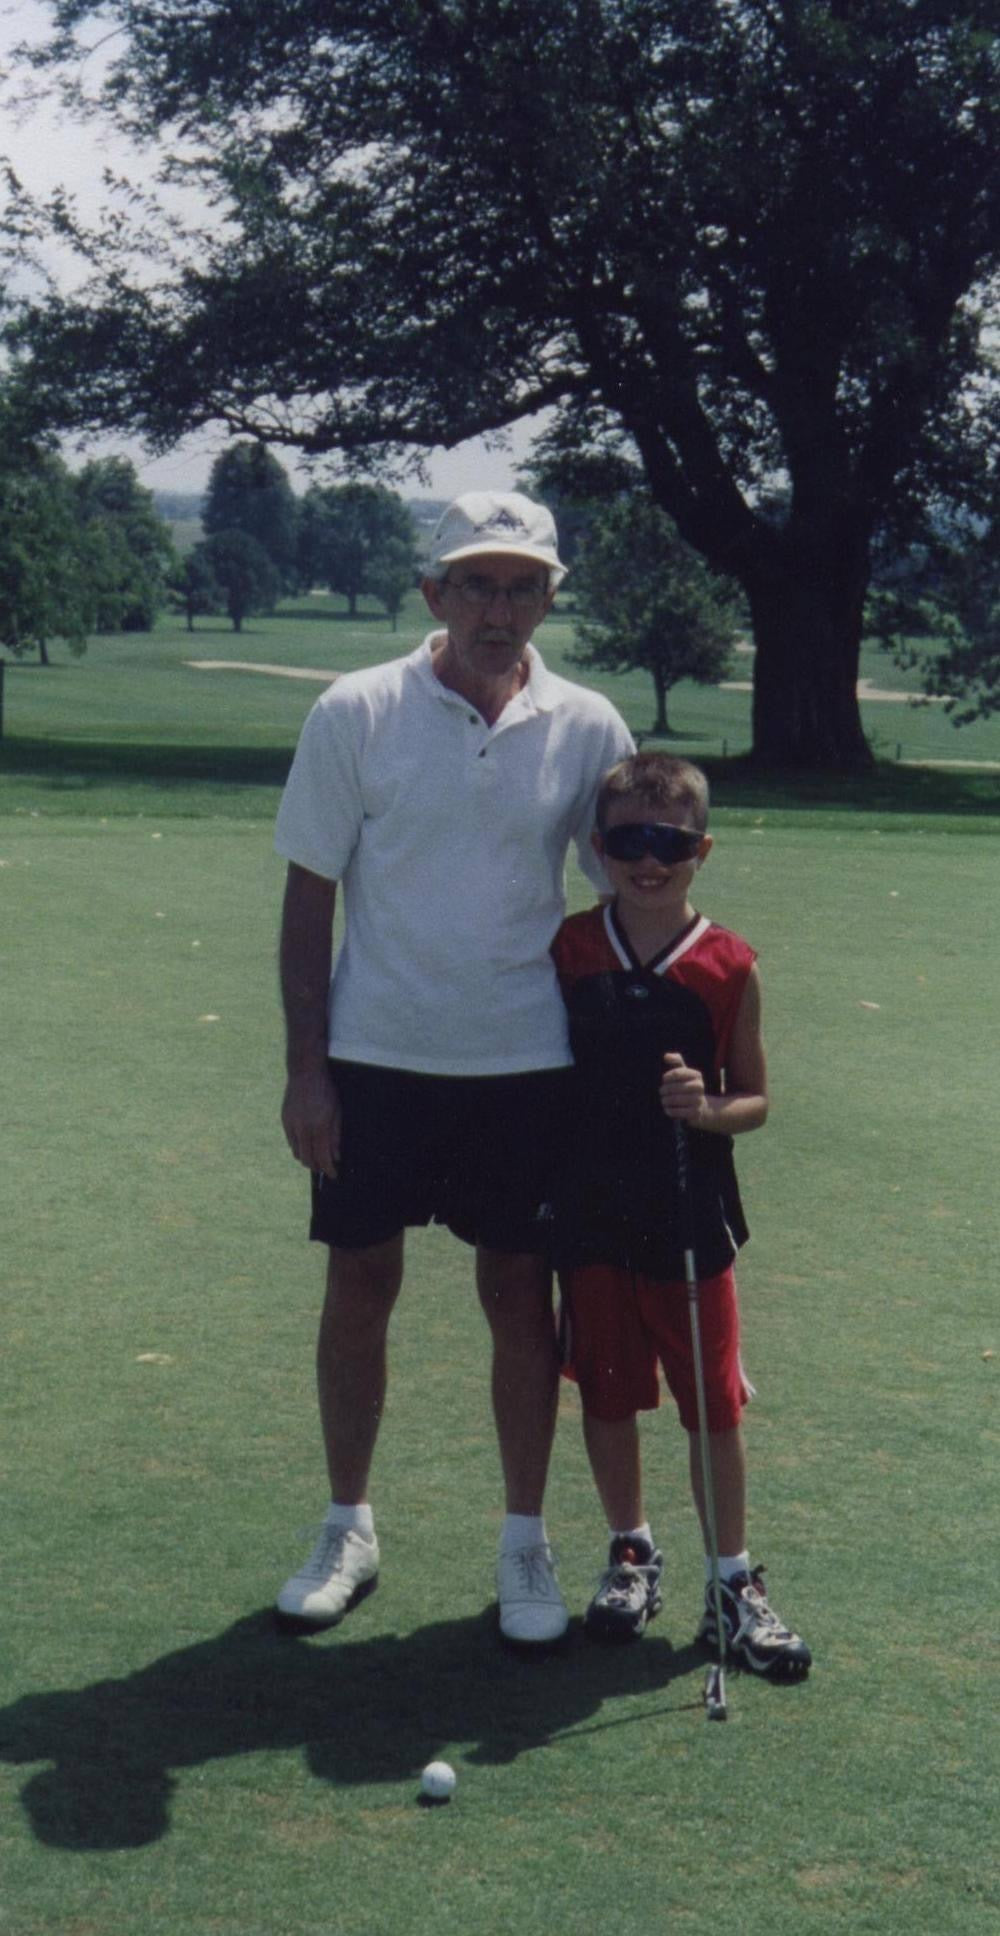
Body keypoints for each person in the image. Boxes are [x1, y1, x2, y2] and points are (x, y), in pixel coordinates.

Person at [273, 489, 634, 1644]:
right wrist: (307, 1070)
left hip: (527, 1062)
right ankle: (347, 1523)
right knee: (359, 1285)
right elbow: (307, 896)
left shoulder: (588, 725)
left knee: (517, 1297)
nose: (498, 606)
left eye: (521, 584)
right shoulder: (356, 710)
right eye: (475, 582)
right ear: (432, 594)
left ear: (547, 598)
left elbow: (628, 884)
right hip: (375, 1055)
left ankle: (524, 1541)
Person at [550, 752, 811, 1676]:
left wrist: (706, 1109)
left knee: (710, 1405)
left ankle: (733, 1582)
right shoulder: (572, 948)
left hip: (690, 1214)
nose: (648, 861)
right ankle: (631, 1548)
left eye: (668, 843)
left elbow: (757, 1100)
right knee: (608, 1387)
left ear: (700, 849)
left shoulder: (727, 963)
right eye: (629, 841)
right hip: (589, 1211)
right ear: (599, 847)